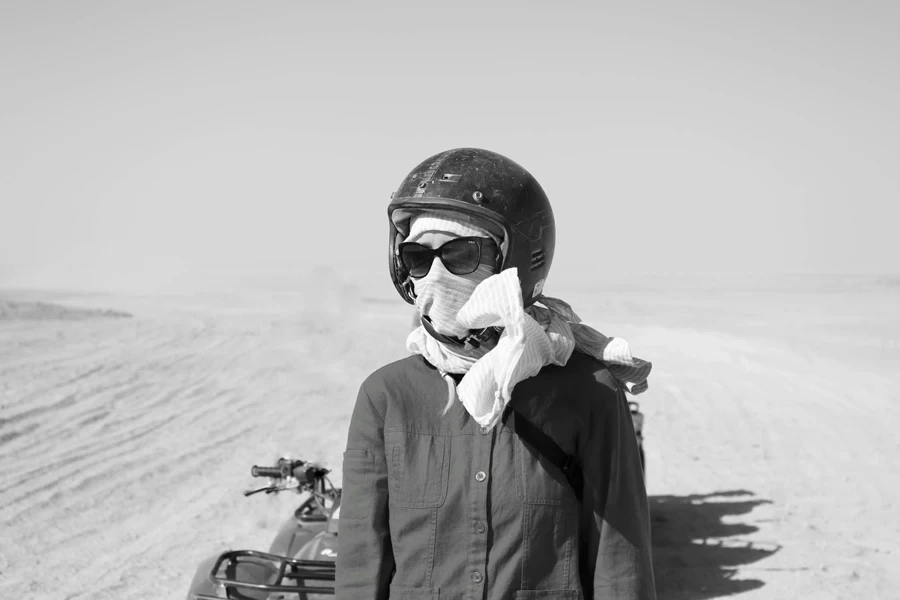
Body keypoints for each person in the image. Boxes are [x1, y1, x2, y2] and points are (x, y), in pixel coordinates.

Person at [336, 148, 656, 600]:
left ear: (516, 262)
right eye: (417, 258)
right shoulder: (387, 395)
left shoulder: (588, 391)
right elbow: (361, 557)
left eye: (462, 254)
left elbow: (619, 562)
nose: (437, 274)